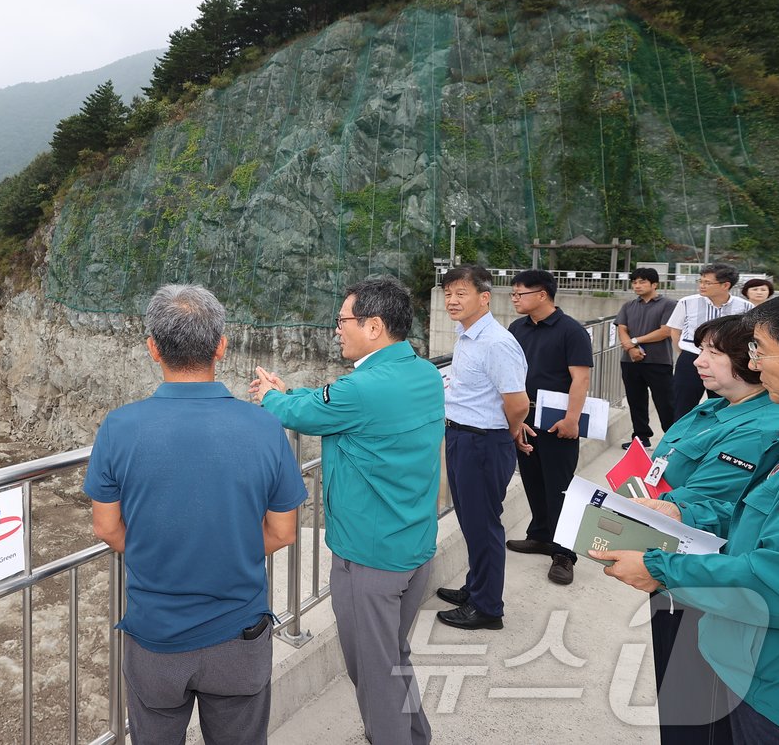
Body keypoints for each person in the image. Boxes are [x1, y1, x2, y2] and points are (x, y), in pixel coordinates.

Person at [83, 283, 308, 744]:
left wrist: (154, 548)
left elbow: (106, 526)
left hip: (155, 638)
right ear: (221, 347)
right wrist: (229, 548)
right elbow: (284, 531)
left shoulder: (119, 427)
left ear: (153, 349)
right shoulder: (264, 426)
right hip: (239, 636)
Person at [249, 276, 444, 745]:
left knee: (374, 676)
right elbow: (328, 406)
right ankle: (417, 736)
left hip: (369, 558)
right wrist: (293, 393)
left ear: (374, 326)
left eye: (343, 320)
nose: (337, 329)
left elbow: (306, 412)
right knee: (393, 659)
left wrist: (271, 396)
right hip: (412, 547)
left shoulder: (364, 388)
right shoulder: (422, 373)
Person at [594, 294, 779, 742]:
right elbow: (741, 515)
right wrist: (671, 507)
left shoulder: (762, 426)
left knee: (693, 708)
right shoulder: (715, 407)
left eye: (758, 349)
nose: (757, 362)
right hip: (710, 594)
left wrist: (661, 563)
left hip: (727, 611)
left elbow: (772, 576)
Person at [432, 266, 533, 630]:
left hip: (483, 441)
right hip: (464, 437)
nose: (452, 300)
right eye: (448, 293)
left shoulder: (496, 342)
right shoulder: (468, 335)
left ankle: (488, 608)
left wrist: (507, 433)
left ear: (484, 297)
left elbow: (518, 403)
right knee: (472, 522)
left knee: (484, 525)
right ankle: (476, 588)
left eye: (461, 293)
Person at [506, 269, 593, 586]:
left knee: (560, 487)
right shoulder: (517, 328)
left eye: (520, 293)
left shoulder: (571, 331)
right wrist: (514, 420)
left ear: (541, 294)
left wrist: (572, 419)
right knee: (532, 479)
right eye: (513, 293)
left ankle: (564, 554)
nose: (514, 299)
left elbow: (581, 378)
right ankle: (541, 535)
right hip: (525, 417)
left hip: (558, 420)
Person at [664, 262, 753, 422]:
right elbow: (675, 331)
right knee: (683, 404)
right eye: (701, 281)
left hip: (727, 362)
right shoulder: (686, 302)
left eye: (707, 282)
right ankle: (678, 443)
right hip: (691, 358)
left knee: (724, 405)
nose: (702, 286)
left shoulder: (745, 307)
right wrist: (684, 353)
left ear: (725, 285)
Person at [616, 267, 677, 450]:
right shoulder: (628, 306)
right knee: (635, 401)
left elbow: (665, 331)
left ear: (654, 284)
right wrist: (631, 348)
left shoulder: (669, 304)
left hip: (658, 361)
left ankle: (673, 439)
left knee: (666, 401)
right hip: (630, 361)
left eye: (642, 281)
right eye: (634, 282)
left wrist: (634, 341)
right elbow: (621, 328)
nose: (637, 285)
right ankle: (641, 437)